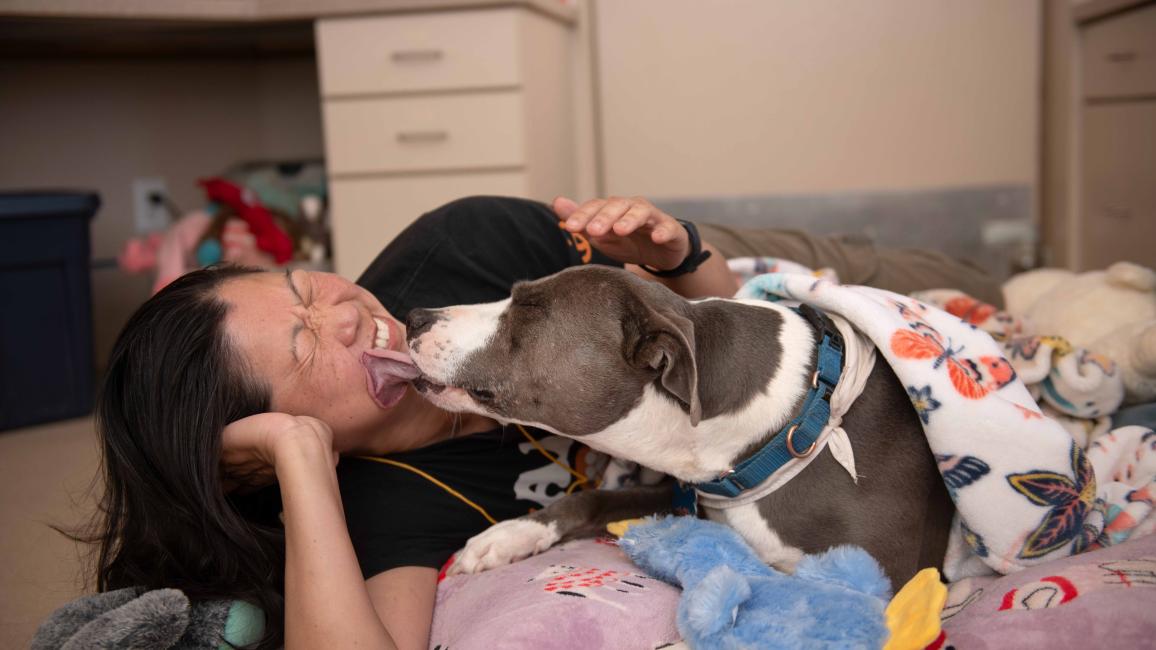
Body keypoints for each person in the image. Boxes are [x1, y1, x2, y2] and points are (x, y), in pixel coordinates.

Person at [90, 194, 1001, 649]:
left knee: (980, 293)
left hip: (730, 292)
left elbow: (724, 335)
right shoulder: (386, 508)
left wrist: (680, 253)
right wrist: (296, 459)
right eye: (300, 350)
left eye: (302, 286)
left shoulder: (467, 246)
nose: (341, 316)